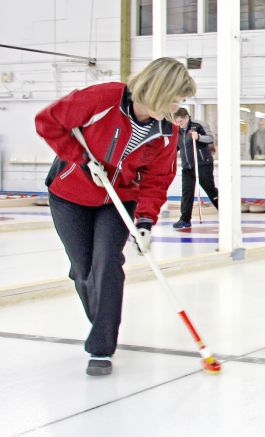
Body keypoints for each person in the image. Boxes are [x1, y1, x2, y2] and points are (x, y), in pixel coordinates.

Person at [35, 57, 196, 376]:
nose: (178, 107)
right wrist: (81, 161)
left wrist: (146, 221)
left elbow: (157, 179)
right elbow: (47, 122)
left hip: (119, 198)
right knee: (84, 271)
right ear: (159, 91)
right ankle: (101, 319)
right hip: (71, 194)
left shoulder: (167, 133)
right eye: (176, 99)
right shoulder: (103, 99)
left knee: (107, 263)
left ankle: (101, 347)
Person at [172, 108, 218, 229]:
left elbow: (210, 138)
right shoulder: (177, 130)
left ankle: (226, 213)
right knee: (186, 192)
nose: (179, 124)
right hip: (187, 166)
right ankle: (185, 219)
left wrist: (198, 137)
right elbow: (177, 146)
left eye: (181, 121)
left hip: (203, 163)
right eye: (177, 122)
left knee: (210, 189)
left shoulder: (198, 125)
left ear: (187, 117)